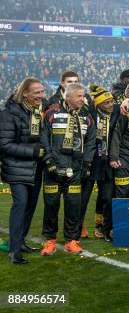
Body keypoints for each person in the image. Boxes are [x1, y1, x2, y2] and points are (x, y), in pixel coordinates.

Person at [40, 83, 96, 256]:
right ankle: (50, 240)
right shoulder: (51, 113)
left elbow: (91, 143)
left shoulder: (87, 117)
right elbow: (44, 139)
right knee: (51, 205)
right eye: (79, 96)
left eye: (83, 95)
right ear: (68, 97)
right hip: (53, 169)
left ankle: (72, 240)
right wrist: (49, 161)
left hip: (75, 170)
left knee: (73, 206)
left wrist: (86, 165)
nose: (83, 99)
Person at [0, 78, 47, 264]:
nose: (41, 95)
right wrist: (33, 152)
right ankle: (14, 251)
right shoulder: (8, 114)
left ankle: (20, 242)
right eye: (37, 92)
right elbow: (4, 144)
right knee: (21, 205)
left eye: (42, 92)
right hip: (16, 168)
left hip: (35, 168)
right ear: (25, 93)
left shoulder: (36, 111)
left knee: (29, 207)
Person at [79, 85, 119, 240]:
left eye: (111, 101)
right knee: (84, 196)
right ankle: (78, 226)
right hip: (91, 160)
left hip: (107, 161)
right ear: (98, 104)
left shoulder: (116, 112)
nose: (110, 105)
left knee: (106, 197)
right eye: (106, 103)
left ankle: (101, 227)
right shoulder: (89, 114)